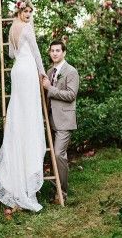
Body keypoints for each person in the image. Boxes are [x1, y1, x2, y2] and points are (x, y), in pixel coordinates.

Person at [0, 0, 47, 212]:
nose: (28, 15)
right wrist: (43, 73)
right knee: (30, 115)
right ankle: (27, 183)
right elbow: (35, 53)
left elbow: (11, 54)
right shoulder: (27, 28)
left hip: (17, 69)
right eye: (26, 11)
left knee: (19, 112)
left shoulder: (11, 29)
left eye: (30, 12)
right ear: (19, 11)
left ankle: (16, 178)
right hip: (27, 71)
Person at [42, 40, 79, 203]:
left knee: (59, 154)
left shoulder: (71, 71)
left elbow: (71, 95)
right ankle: (56, 189)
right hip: (50, 120)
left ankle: (62, 193)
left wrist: (50, 88)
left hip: (65, 120)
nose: (55, 53)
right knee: (53, 157)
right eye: (52, 51)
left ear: (64, 52)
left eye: (58, 50)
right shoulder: (49, 71)